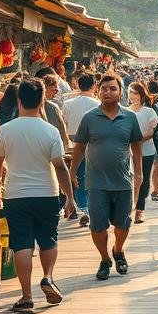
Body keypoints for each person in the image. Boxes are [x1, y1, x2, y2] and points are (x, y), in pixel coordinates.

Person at [0, 81, 75, 313]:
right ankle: (47, 277)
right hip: (47, 193)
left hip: (16, 194)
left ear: (18, 101)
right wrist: (70, 197)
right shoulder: (50, 131)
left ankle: (26, 296)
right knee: (48, 239)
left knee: (22, 244)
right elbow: (60, 167)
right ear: (42, 101)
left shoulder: (6, 130)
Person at [69, 75, 143, 281]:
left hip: (122, 181)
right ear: (98, 91)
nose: (108, 92)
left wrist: (139, 173)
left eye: (112, 89)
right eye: (104, 89)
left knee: (123, 224)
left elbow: (136, 145)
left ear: (121, 92)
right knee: (98, 226)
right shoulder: (89, 118)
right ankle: (104, 259)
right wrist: (72, 172)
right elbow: (79, 147)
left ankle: (118, 251)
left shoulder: (129, 117)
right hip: (96, 183)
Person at [60, 73, 99, 225]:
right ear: (94, 86)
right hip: (93, 142)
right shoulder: (97, 104)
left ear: (77, 85)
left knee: (76, 175)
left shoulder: (68, 103)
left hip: (73, 143)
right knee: (90, 175)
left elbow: (65, 122)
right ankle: (87, 209)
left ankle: (79, 207)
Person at [128, 82, 158, 223]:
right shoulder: (126, 111)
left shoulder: (149, 111)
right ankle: (129, 207)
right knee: (130, 179)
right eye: (130, 92)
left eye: (135, 93)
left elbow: (154, 130)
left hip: (146, 151)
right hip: (129, 152)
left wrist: (139, 139)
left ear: (141, 94)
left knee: (144, 179)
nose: (132, 96)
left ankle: (140, 210)